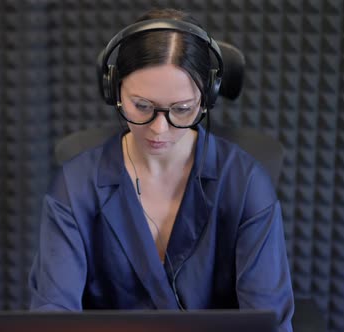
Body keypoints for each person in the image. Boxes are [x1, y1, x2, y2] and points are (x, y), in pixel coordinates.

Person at [29, 8, 294, 331]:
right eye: (141, 106)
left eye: (182, 110)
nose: (159, 129)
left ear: (206, 99)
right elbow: (53, 313)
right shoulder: (74, 185)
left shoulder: (246, 182)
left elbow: (268, 322)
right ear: (114, 90)